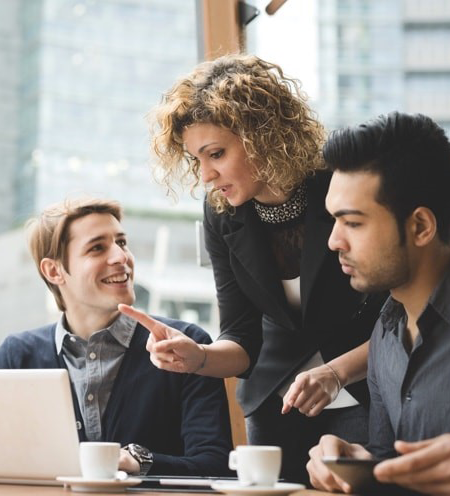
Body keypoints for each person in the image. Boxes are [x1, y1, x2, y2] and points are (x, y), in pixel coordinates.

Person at [120, 54, 385, 483]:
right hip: (275, 405)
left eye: (216, 154)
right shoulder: (222, 213)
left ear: (263, 135)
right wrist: (199, 357)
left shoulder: (340, 183)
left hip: (365, 390)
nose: (206, 175)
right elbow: (243, 334)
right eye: (196, 161)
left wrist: (338, 371)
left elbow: (401, 316)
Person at [0, 198, 232, 477]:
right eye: (97, 248)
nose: (121, 257)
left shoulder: (185, 344)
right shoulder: (16, 355)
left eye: (121, 243)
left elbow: (216, 465)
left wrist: (139, 462)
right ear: (54, 270)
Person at [306, 111, 450, 495]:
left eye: (352, 223)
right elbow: (393, 466)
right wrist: (356, 462)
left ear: (420, 226)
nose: (334, 242)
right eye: (333, 221)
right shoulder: (385, 336)